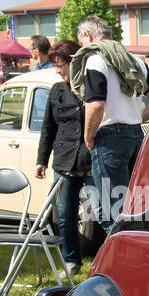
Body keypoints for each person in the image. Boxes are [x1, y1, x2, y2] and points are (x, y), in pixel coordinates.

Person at [69, 15, 149, 244]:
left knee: (112, 211)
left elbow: (95, 104)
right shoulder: (135, 61)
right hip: (135, 136)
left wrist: (88, 134)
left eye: (82, 41)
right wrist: (135, 117)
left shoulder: (95, 60)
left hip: (110, 138)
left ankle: (124, 259)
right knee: (135, 207)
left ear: (88, 36)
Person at [34, 40, 91, 272]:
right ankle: (71, 259)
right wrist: (41, 160)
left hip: (90, 157)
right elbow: (48, 127)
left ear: (75, 63)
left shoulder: (93, 86)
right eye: (55, 66)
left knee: (103, 211)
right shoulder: (56, 90)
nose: (58, 70)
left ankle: (111, 261)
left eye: (62, 65)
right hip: (63, 160)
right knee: (64, 214)